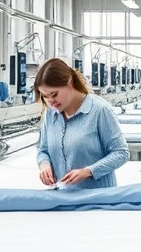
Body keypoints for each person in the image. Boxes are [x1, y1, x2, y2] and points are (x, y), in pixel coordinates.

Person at [35, 58, 130, 189]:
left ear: (70, 82)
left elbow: (121, 152)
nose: (51, 101)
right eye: (45, 96)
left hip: (97, 197)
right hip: (62, 196)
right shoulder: (50, 115)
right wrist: (44, 164)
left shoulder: (99, 111)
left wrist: (89, 171)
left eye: (54, 94)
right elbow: (43, 149)